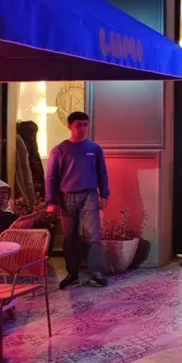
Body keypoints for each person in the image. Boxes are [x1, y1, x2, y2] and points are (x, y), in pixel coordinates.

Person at [45, 111, 110, 289]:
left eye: (85, 125)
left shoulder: (94, 149)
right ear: (70, 126)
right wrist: (51, 201)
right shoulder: (59, 150)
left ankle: (96, 273)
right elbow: (51, 177)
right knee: (69, 237)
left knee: (94, 236)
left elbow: (102, 172)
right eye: (78, 125)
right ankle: (72, 273)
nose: (82, 128)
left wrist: (104, 194)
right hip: (66, 197)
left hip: (89, 195)